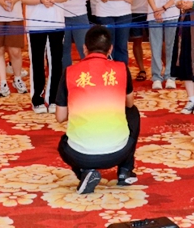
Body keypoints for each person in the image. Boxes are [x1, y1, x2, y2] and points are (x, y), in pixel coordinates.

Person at [56, 25, 140, 195]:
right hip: (118, 152)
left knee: (63, 144)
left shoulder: (70, 72)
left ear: (84, 48)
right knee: (133, 113)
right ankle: (125, 171)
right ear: (110, 49)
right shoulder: (121, 69)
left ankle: (85, 172)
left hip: (79, 155)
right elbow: (129, 103)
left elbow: (60, 116)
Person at [17, 0, 71, 113]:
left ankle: (53, 98)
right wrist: (40, 0)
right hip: (36, 24)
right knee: (37, 63)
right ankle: (37, 99)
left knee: (56, 62)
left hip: (57, 23)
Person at [143, 0, 181, 90]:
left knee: (171, 46)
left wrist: (164, 8)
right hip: (154, 15)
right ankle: (157, 77)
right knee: (155, 47)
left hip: (172, 14)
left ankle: (170, 76)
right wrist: (155, 10)